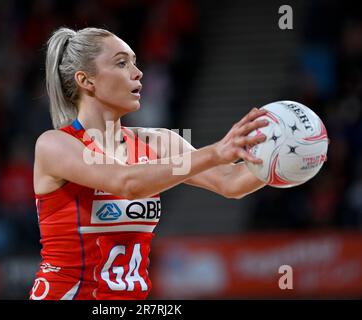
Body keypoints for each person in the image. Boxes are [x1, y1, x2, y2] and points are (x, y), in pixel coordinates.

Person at [29, 27, 269, 300]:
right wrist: (215, 152)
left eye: (134, 61)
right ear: (86, 80)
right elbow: (127, 183)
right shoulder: (55, 145)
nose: (137, 72)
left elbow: (231, 182)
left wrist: (286, 158)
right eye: (122, 63)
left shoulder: (159, 143)